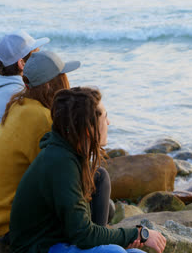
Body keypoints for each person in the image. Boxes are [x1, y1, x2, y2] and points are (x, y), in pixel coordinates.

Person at [9, 87, 167, 253]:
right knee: (115, 252)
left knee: (136, 252)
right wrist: (139, 234)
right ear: (88, 129)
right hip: (40, 247)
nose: (109, 123)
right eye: (105, 117)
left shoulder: (69, 152)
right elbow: (83, 234)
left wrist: (124, 237)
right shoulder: (61, 163)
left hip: (61, 238)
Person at [0, 51, 113, 244]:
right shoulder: (43, 119)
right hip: (15, 223)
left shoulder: (19, 105)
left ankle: (96, 238)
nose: (67, 81)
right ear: (51, 85)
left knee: (106, 207)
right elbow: (60, 176)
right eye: (63, 77)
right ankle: (96, 246)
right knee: (100, 179)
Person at [0, 30, 49, 205]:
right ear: (22, 63)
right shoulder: (19, 97)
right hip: (3, 201)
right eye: (35, 56)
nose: (41, 59)